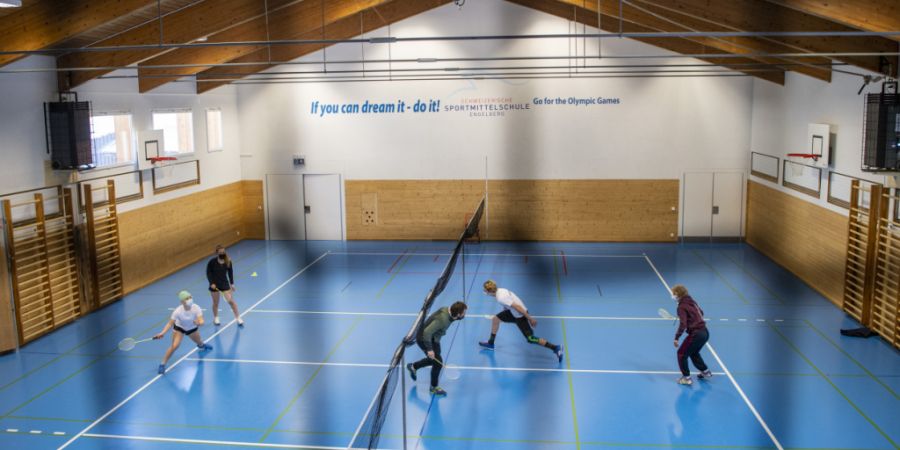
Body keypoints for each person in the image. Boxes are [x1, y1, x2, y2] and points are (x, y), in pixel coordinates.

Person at [478, 280, 563, 363]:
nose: (484, 292)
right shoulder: (501, 290)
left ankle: (555, 348)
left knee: (530, 339)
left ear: (489, 291)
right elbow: (509, 303)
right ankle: (491, 343)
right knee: (496, 319)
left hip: (520, 315)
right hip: (512, 313)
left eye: (485, 290)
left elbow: (517, 306)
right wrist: (504, 311)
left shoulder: (501, 298)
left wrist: (530, 318)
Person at [406, 301, 468, 396]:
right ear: (458, 314)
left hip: (435, 338)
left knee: (434, 360)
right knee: (438, 363)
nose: (465, 314)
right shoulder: (442, 320)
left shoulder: (448, 311)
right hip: (424, 338)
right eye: (463, 313)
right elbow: (426, 333)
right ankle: (433, 388)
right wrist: (430, 349)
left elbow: (452, 319)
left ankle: (413, 366)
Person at [154, 290, 213, 374]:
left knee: (199, 342)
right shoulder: (177, 311)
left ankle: (202, 345)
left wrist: (198, 322)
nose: (190, 299)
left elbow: (202, 320)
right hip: (179, 328)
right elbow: (170, 323)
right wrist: (162, 333)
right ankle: (162, 364)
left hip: (192, 328)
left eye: (190, 297)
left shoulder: (196, 308)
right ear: (182, 301)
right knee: (174, 346)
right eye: (187, 298)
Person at [672, 284, 712, 385]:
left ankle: (686, 378)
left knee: (681, 354)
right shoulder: (692, 301)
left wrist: (677, 337)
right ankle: (705, 372)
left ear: (678, 294)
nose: (672, 295)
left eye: (673, 293)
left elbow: (683, 324)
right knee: (693, 352)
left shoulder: (681, 306)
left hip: (696, 334)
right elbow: (701, 313)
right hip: (705, 332)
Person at [206, 244, 243, 327]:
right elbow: (209, 273)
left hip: (224, 284)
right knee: (215, 303)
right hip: (214, 285)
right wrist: (211, 283)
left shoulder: (228, 261)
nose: (222, 253)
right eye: (220, 252)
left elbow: (230, 273)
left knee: (231, 302)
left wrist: (232, 284)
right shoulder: (212, 262)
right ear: (217, 253)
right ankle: (216, 318)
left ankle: (238, 318)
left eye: (223, 252)